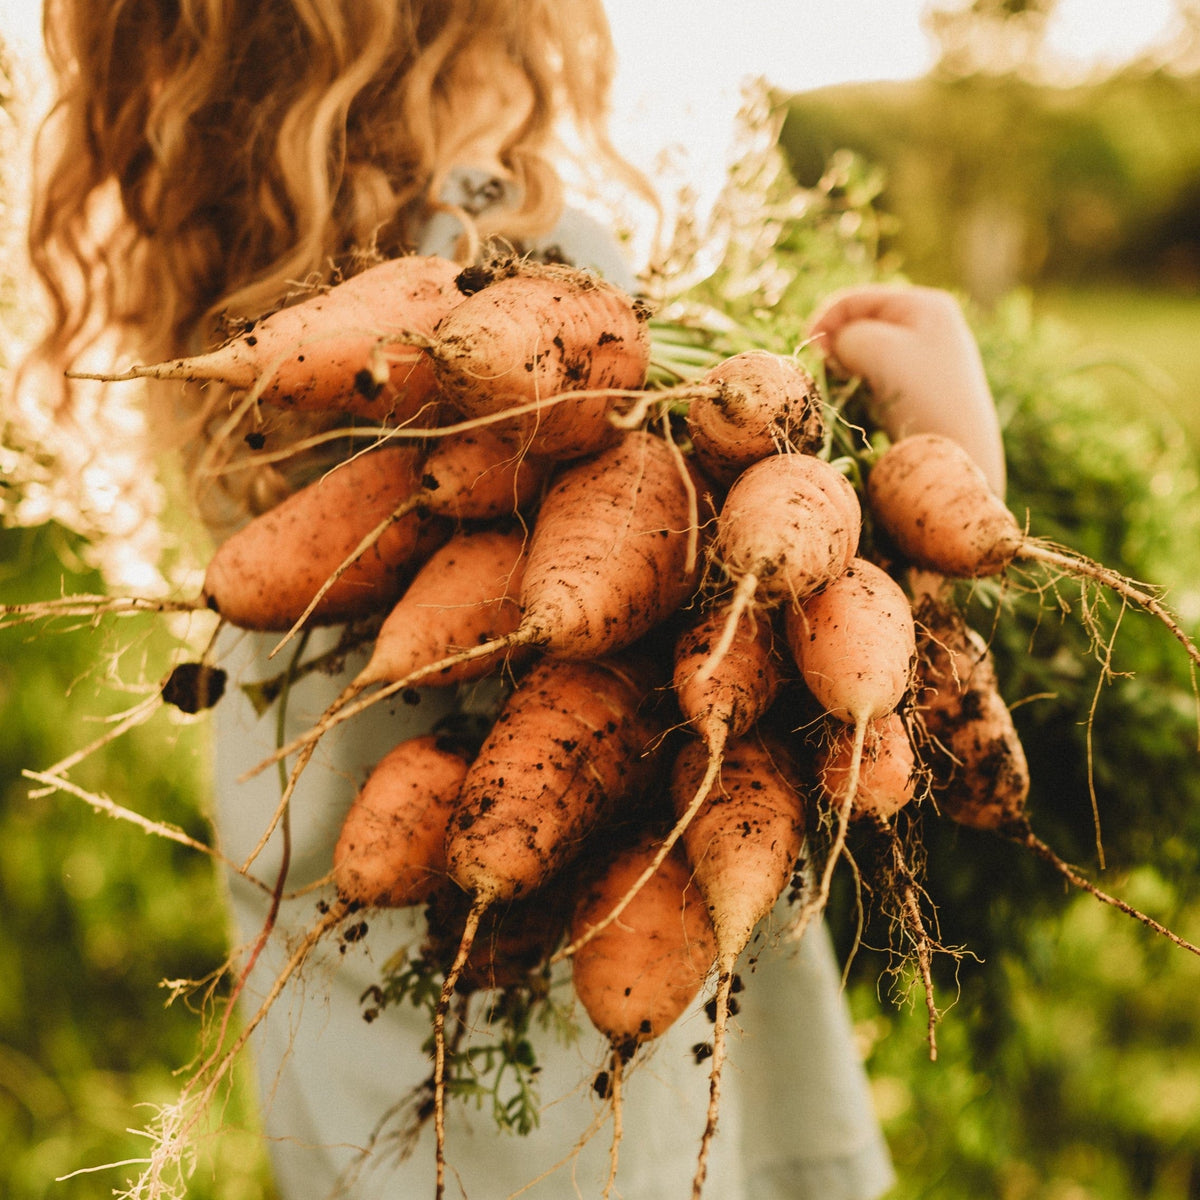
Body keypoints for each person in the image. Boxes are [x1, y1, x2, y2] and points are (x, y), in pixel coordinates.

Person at [22, 2, 1004, 1197]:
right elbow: (737, 608)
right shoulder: (522, 257)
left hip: (325, 879)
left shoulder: (218, 278)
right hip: (584, 893)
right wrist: (950, 451)